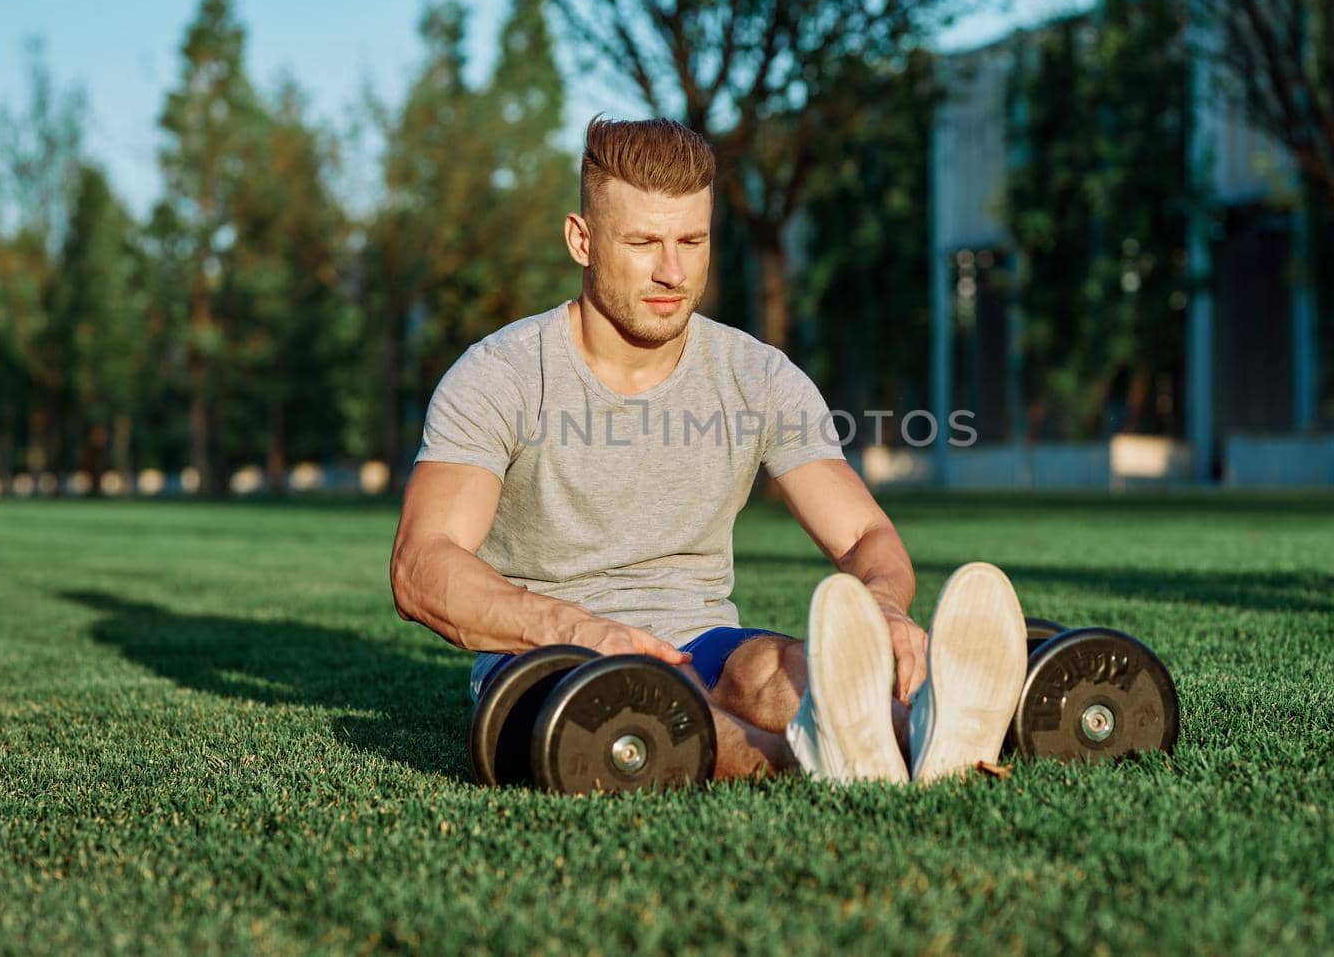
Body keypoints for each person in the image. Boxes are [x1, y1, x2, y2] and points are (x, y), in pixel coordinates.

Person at [389, 116, 1027, 783]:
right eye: (642, 242)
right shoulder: (501, 374)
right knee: (647, 711)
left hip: (706, 641)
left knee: (778, 673)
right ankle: (813, 753)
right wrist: (578, 628)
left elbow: (864, 530)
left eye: (691, 240)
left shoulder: (756, 376)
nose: (672, 270)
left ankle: (921, 730)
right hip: (550, 658)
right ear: (581, 239)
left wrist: (886, 605)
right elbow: (422, 566)